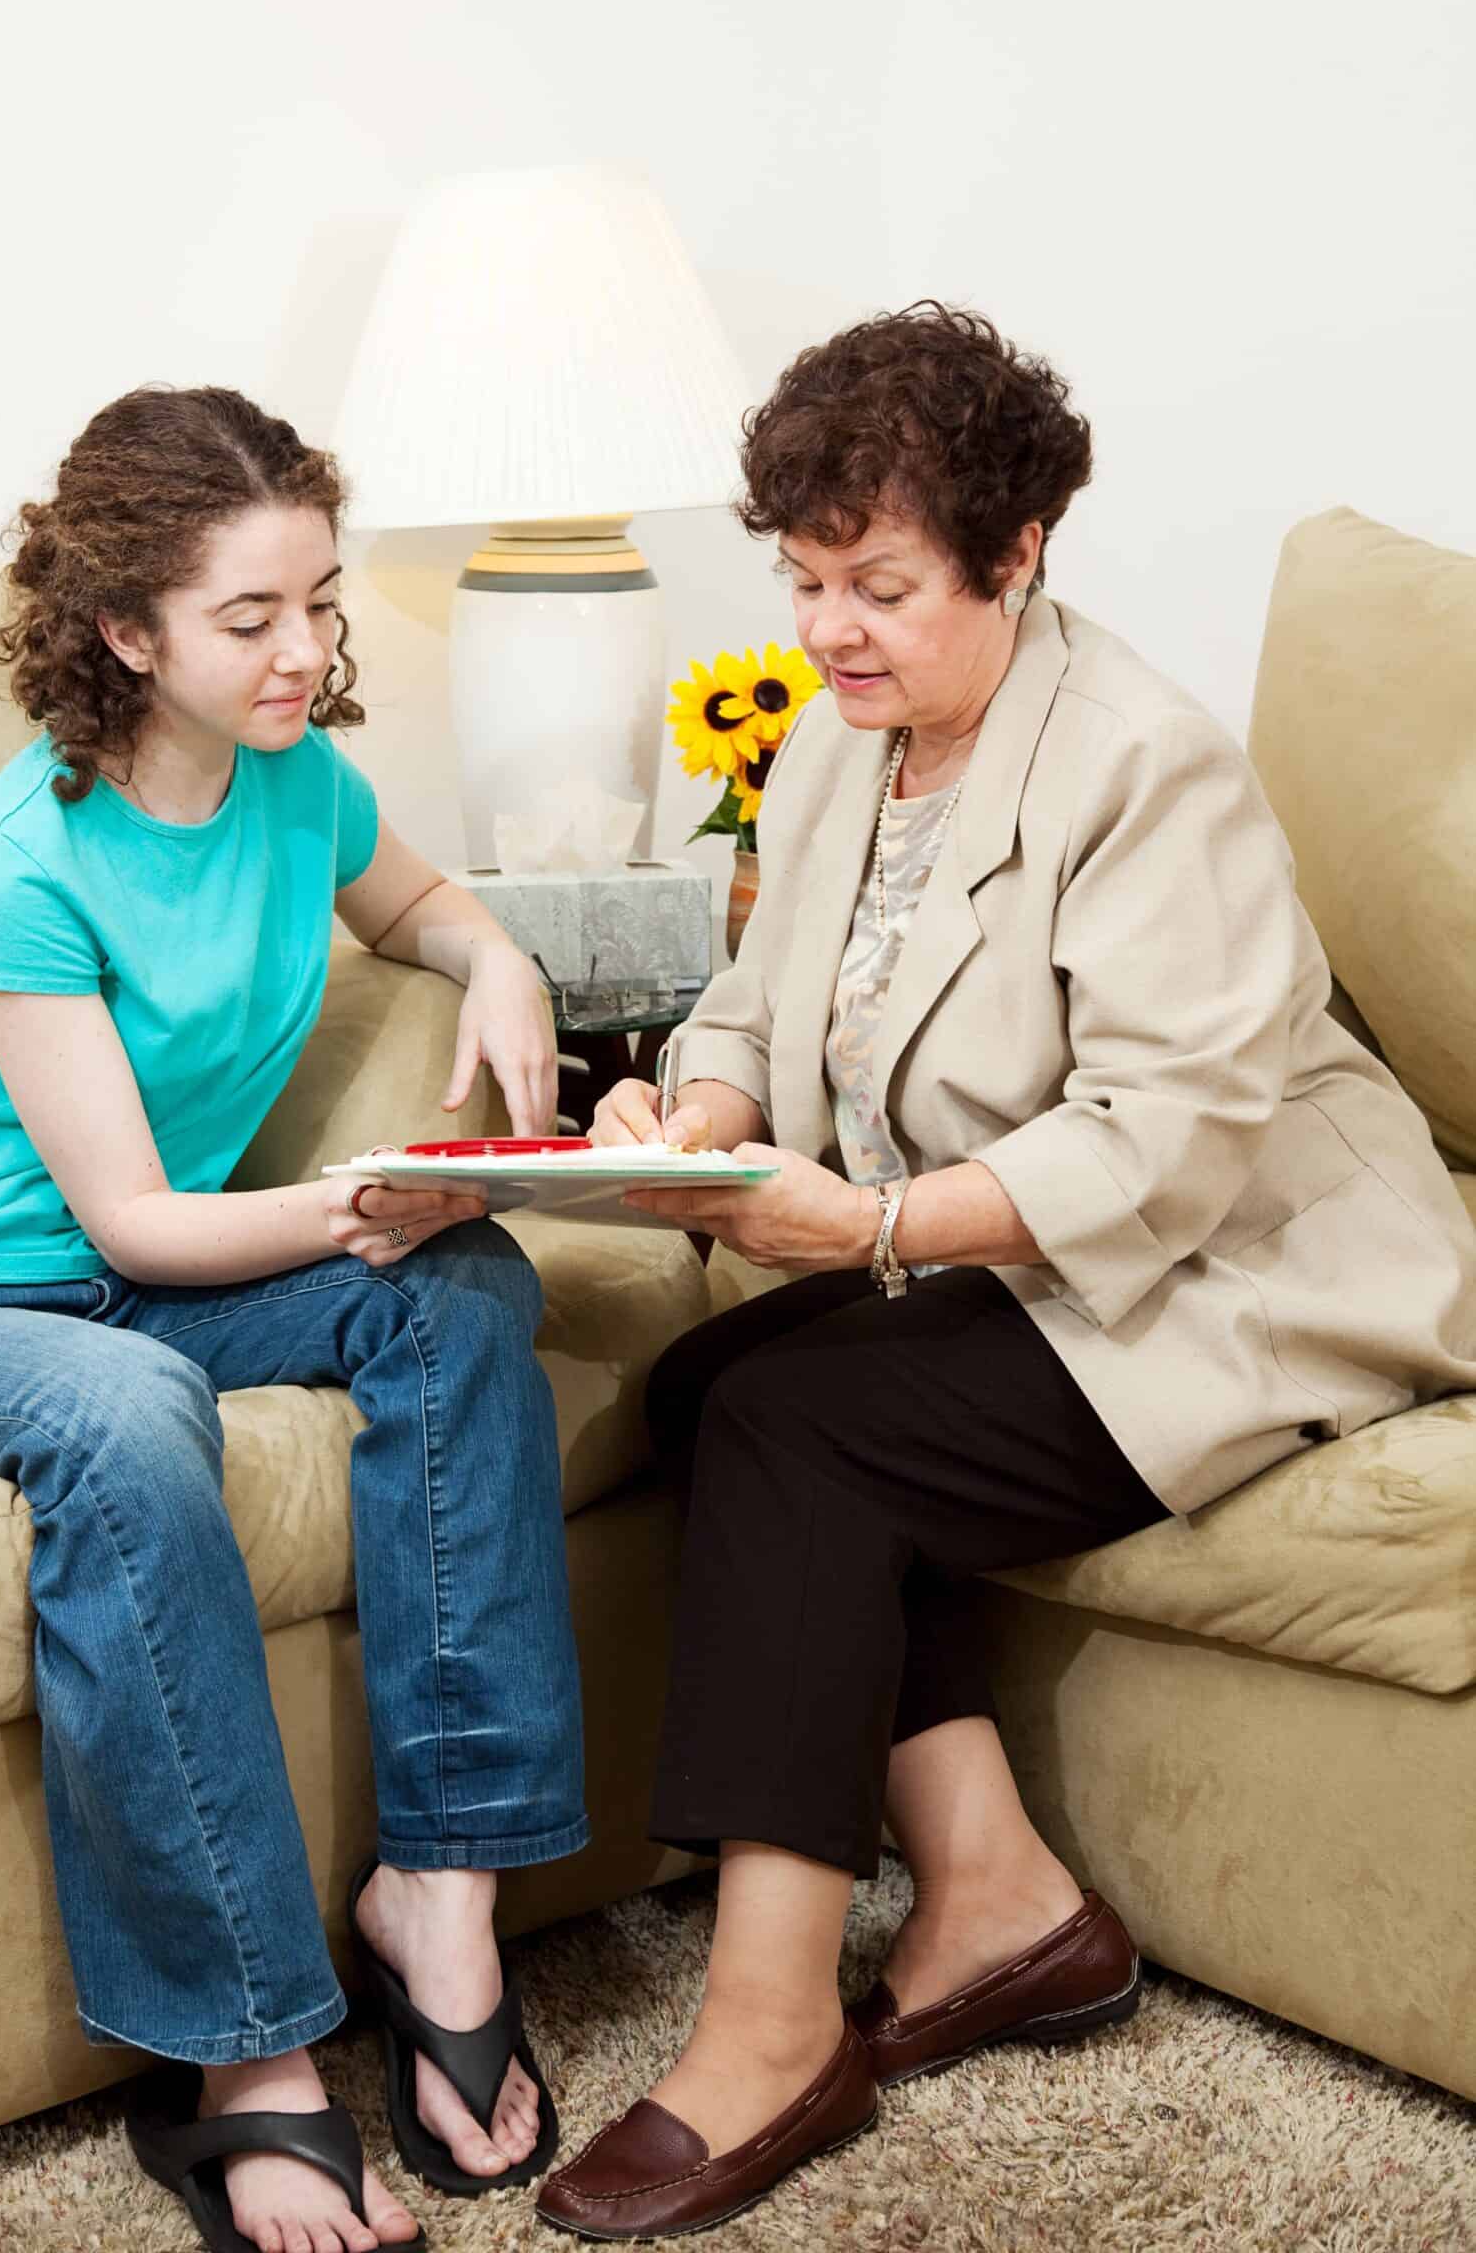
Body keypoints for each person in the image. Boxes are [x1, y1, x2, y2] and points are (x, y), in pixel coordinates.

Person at [534, 303, 1476, 2242]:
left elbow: (1164, 1139)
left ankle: (770, 2020)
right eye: (803, 581)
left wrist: (863, 1227)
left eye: (876, 583)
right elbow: (745, 992)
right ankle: (994, 1900)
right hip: (1012, 1255)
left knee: (798, 1425)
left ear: (1016, 550)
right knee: (716, 1384)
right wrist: (689, 1110)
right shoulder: (831, 749)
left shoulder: (1144, 762)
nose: (826, 627)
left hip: (1243, 1257)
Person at [0, 386, 586, 2253]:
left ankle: (441, 1894)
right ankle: (245, 2058)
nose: (308, 651)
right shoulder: (24, 862)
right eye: (253, 620)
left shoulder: (299, 783)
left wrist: (498, 956)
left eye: (320, 601)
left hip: (153, 1287)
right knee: (124, 1413)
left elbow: (424, 906)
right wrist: (366, 1196)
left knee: (462, 1291)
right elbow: (133, 1225)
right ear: (124, 631)